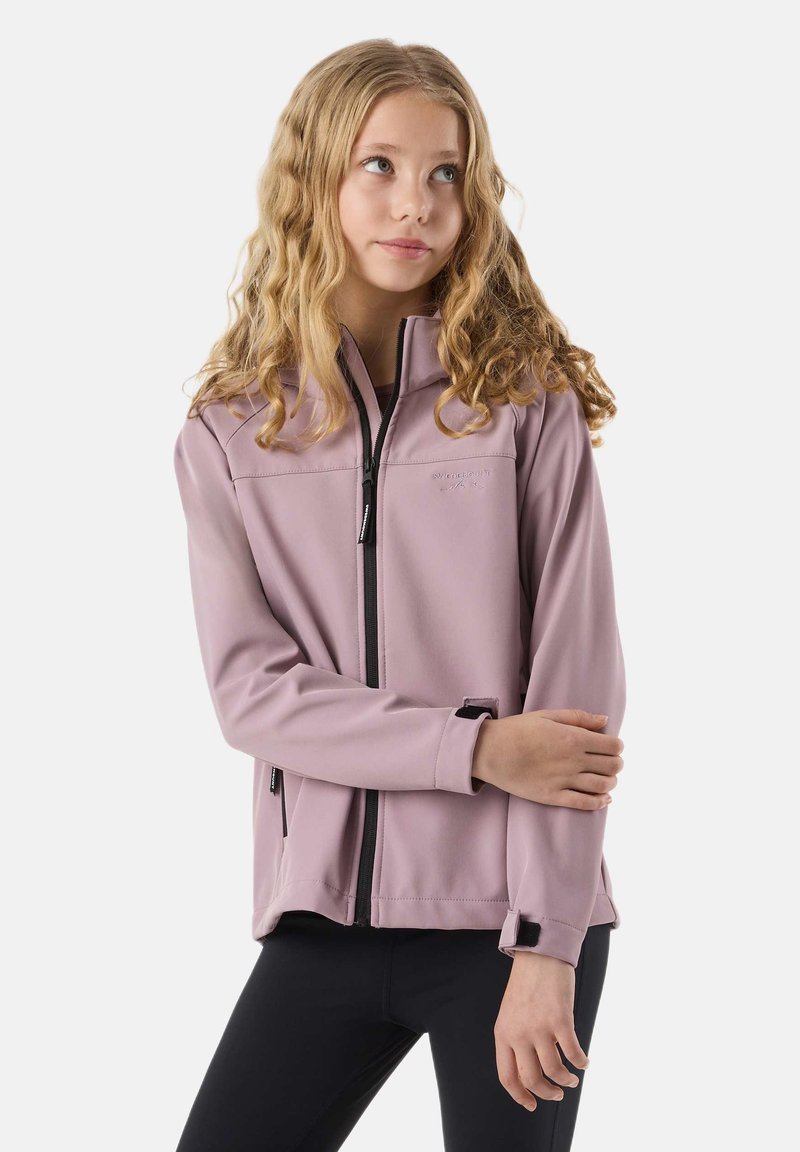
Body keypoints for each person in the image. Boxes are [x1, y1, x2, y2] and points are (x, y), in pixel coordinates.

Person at [172, 38, 626, 1152]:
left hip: (507, 926)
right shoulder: (231, 432)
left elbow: (573, 701)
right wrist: (476, 749)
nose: (414, 203)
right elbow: (254, 697)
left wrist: (547, 947)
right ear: (313, 179)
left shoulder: (524, 408)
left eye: (444, 173)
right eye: (378, 165)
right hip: (321, 918)